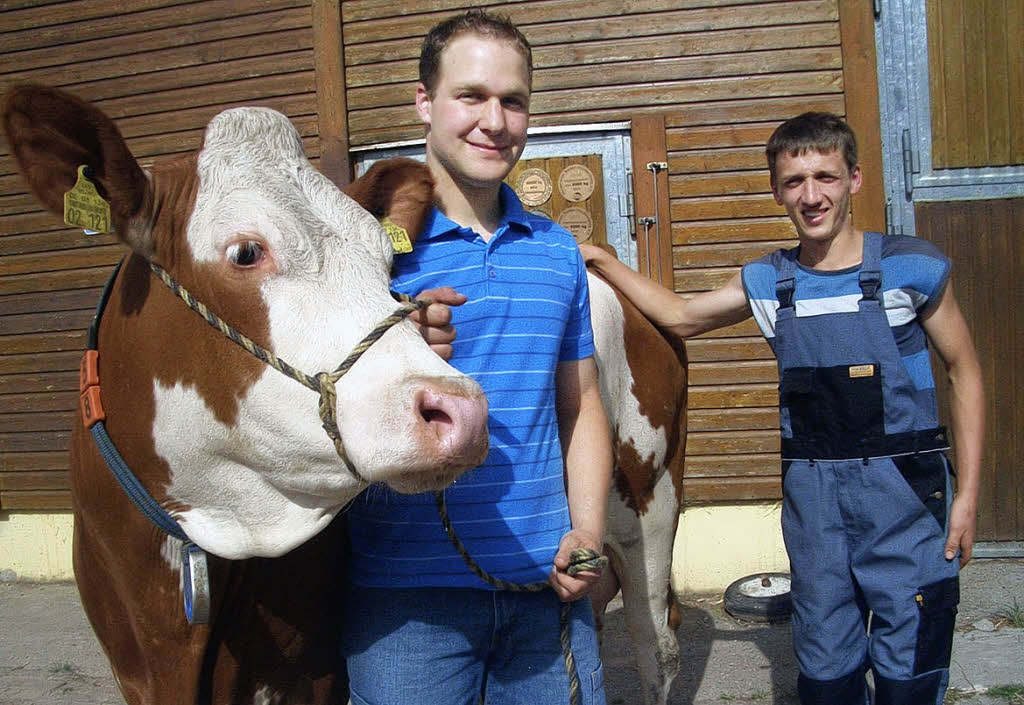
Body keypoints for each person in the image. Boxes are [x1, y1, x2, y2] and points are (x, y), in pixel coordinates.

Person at [579, 112, 984, 705]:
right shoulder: (771, 280)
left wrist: (968, 495)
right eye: (794, 181)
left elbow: (965, 372)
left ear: (855, 179)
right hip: (815, 504)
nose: (811, 195)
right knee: (825, 673)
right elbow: (684, 316)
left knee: (910, 671)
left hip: (906, 495)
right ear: (776, 190)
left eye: (826, 176)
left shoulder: (912, 267)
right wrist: (604, 263)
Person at [342, 10, 612, 705]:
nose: (494, 120)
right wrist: (399, 350)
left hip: (543, 591)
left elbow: (580, 409)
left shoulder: (556, 252)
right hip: (406, 604)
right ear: (425, 103)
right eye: (471, 96)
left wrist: (586, 535)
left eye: (513, 100)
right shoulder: (364, 251)